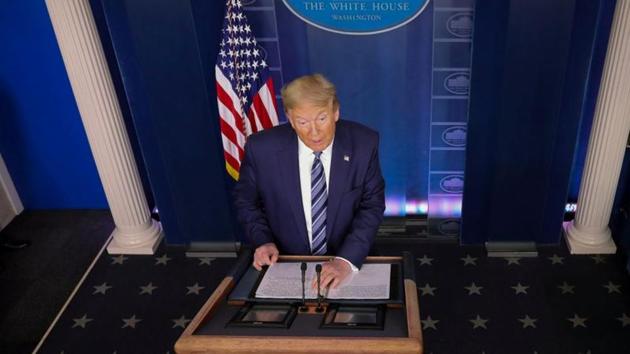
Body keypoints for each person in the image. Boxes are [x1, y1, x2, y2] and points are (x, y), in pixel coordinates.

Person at [233, 73, 385, 289]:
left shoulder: (363, 143)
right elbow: (246, 201)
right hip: (284, 260)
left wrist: (345, 261)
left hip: (347, 258)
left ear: (335, 112)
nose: (314, 132)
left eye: (321, 118)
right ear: (290, 118)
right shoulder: (261, 148)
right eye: (302, 122)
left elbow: (372, 206)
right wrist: (263, 240)